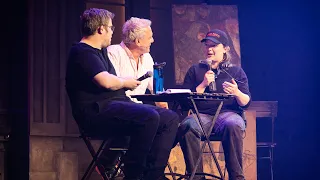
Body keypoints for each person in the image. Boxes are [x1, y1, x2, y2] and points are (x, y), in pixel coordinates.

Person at [65, 8, 179, 180]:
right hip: (95, 113)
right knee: (148, 117)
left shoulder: (100, 52)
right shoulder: (82, 52)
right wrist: (126, 82)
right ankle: (133, 174)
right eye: (111, 28)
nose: (113, 32)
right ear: (101, 29)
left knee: (170, 118)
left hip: (115, 106)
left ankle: (153, 175)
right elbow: (105, 81)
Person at [176, 29, 251, 180]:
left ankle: (237, 177)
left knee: (233, 124)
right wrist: (203, 85)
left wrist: (236, 92)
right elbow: (184, 101)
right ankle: (196, 177)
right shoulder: (195, 70)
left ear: (225, 49)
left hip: (227, 115)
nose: (209, 49)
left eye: (214, 46)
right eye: (207, 45)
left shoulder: (235, 71)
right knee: (187, 125)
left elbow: (246, 102)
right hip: (202, 116)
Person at [107, 17, 168, 108]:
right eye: (150, 37)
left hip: (138, 109)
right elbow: (112, 88)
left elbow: (156, 91)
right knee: (152, 115)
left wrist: (164, 108)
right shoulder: (114, 53)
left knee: (170, 117)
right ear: (138, 41)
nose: (152, 40)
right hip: (119, 107)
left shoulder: (147, 57)